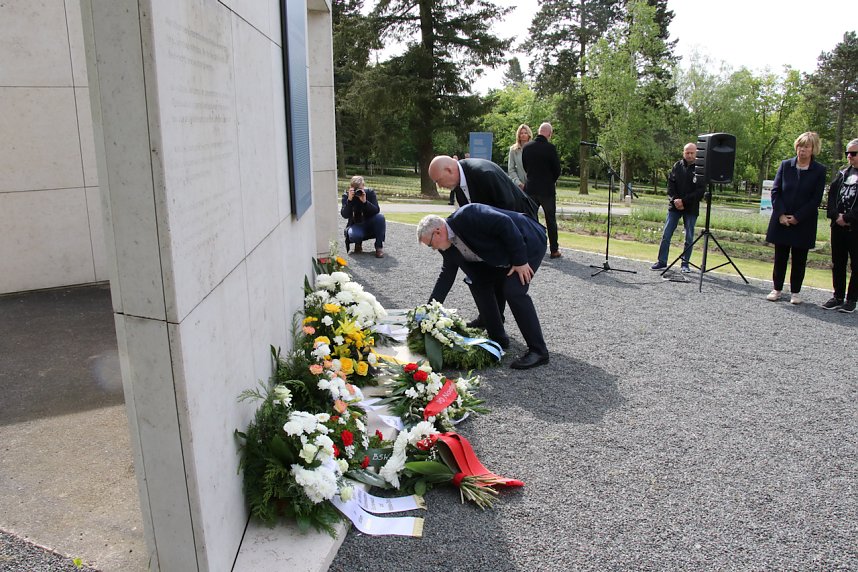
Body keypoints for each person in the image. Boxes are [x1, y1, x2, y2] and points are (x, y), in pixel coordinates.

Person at [418, 204, 549, 370]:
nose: (433, 249)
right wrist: (430, 311)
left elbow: (505, 223)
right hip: (502, 252)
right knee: (477, 281)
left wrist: (520, 261)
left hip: (528, 239)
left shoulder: (467, 215)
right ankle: (498, 338)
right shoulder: (446, 246)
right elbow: (446, 277)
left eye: (430, 244)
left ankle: (538, 351)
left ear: (438, 232)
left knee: (513, 290)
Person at [427, 155, 539, 326]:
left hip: (522, 228)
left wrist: (517, 258)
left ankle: (499, 325)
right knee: (484, 274)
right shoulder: (458, 185)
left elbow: (506, 211)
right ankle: (491, 319)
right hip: (498, 230)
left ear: (449, 170)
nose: (439, 186)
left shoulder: (484, 173)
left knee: (510, 286)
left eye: (438, 180)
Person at [764, 132, 827, 304]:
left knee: (799, 259)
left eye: (806, 147)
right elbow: (776, 191)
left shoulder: (819, 170)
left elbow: (815, 199)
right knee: (780, 257)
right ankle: (777, 289)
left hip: (803, 221)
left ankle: (795, 292)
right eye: (800, 146)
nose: (802, 150)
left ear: (813, 149)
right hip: (782, 219)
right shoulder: (785, 165)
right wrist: (781, 214)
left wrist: (798, 217)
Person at [651, 143, 706, 272]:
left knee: (689, 237)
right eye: (687, 152)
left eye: (692, 153)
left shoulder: (700, 169)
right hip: (674, 207)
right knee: (666, 234)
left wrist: (684, 201)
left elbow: (700, 192)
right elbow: (670, 186)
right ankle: (662, 261)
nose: (689, 155)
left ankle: (685, 264)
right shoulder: (677, 166)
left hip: (691, 208)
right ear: (683, 153)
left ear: (696, 153)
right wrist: (675, 200)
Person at [821, 138, 858, 313]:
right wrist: (836, 215)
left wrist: (848, 217)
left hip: (855, 228)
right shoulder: (842, 174)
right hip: (838, 227)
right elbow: (832, 197)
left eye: (854, 153)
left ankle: (851, 300)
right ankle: (838, 296)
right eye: (847, 153)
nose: (849, 156)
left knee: (856, 265)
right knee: (838, 262)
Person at [522, 122, 562, 258]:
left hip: (531, 188)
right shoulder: (550, 148)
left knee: (530, 219)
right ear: (549, 134)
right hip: (547, 190)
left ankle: (532, 248)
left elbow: (525, 166)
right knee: (550, 220)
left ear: (538, 132)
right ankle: (554, 250)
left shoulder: (527, 147)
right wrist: (550, 180)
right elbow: (557, 169)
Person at [341, 175, 386, 258]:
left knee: (380, 218)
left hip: (370, 223)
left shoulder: (369, 193)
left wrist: (365, 202)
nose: (358, 191)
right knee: (354, 236)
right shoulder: (347, 196)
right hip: (355, 225)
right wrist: (349, 200)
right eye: (356, 189)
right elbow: (344, 215)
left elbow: (376, 210)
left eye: (360, 188)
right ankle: (358, 243)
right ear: (351, 188)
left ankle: (379, 247)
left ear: (363, 186)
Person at [507, 124, 532, 191]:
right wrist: (519, 184)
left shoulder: (534, 148)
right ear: (518, 135)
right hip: (518, 186)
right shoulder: (513, 150)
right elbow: (511, 169)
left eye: (525, 133)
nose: (523, 135)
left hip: (532, 185)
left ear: (529, 135)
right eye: (521, 133)